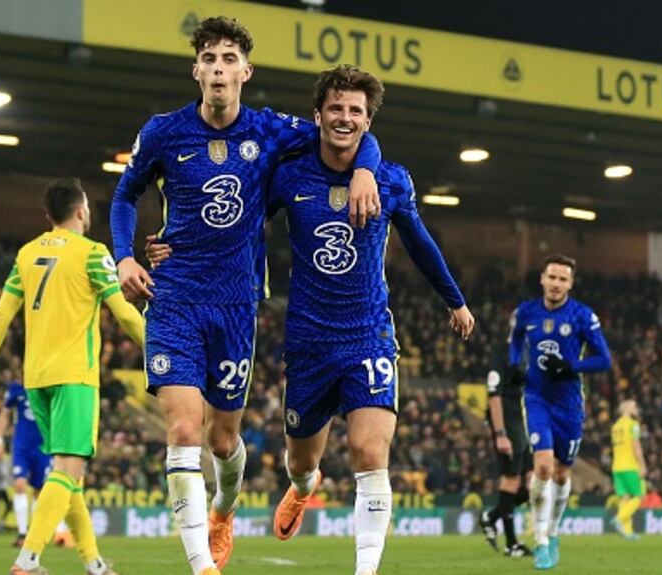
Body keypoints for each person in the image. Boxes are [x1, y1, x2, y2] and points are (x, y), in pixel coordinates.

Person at [148, 64, 474, 575]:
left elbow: (420, 243)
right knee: (301, 464)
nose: (345, 118)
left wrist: (454, 300)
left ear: (369, 123)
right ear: (318, 114)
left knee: (370, 451)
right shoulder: (290, 174)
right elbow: (238, 218)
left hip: (368, 334)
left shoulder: (390, 180)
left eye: (356, 112)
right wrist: (180, 247)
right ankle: (303, 490)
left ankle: (365, 570)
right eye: (337, 108)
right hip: (308, 341)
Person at [109, 16, 382, 575]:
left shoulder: (270, 130)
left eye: (229, 59)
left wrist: (366, 171)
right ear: (196, 70)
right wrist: (126, 254)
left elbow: (347, 129)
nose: (218, 68)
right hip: (175, 297)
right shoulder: (164, 132)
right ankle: (200, 566)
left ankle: (224, 509)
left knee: (222, 439)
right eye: (209, 58)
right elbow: (123, 194)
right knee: (183, 429)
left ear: (245, 72)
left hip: (235, 307)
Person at [0, 177, 144, 575]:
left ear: (48, 216)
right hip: (75, 377)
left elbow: (2, 315)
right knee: (67, 470)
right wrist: (163, 351)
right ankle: (27, 560)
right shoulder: (92, 253)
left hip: (36, 379)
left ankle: (94, 564)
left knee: (69, 476)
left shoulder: (27, 253)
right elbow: (124, 313)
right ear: (82, 211)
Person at [507, 254, 611, 570]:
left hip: (569, 404)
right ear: (542, 279)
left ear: (571, 283)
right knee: (542, 469)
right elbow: (514, 342)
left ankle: (553, 531)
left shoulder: (582, 316)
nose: (556, 284)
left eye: (563, 279)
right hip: (536, 397)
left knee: (563, 473)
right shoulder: (526, 312)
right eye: (552, 277)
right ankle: (540, 540)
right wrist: (515, 366)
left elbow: (604, 359)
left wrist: (571, 366)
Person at [0, 372, 73, 548]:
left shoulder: (47, 387)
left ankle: (40, 532)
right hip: (21, 446)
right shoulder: (16, 389)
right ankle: (22, 533)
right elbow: (5, 414)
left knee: (41, 491)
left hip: (43, 447)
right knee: (20, 484)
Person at [479, 349, 533, 557]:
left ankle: (491, 517)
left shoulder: (530, 353)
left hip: (523, 421)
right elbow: (493, 395)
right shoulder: (502, 354)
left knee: (532, 483)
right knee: (511, 479)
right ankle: (512, 544)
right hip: (508, 423)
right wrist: (500, 433)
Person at [610, 399, 646, 540]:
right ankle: (619, 519)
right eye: (635, 406)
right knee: (639, 495)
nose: (637, 409)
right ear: (628, 409)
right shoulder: (633, 425)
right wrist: (642, 464)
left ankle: (627, 532)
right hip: (630, 466)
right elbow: (636, 446)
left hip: (617, 467)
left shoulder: (615, 426)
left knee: (625, 497)